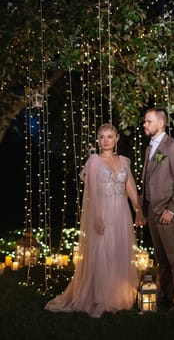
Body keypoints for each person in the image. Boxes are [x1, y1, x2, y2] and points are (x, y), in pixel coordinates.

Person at [45, 123, 145, 317]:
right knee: (101, 254)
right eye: (102, 137)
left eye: (109, 136)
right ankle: (98, 299)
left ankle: (116, 297)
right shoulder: (94, 161)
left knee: (118, 252)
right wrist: (97, 216)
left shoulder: (124, 161)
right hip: (102, 212)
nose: (105, 140)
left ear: (116, 139)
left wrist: (138, 210)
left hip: (121, 213)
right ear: (98, 140)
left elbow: (131, 188)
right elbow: (91, 192)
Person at [141, 108, 174, 313]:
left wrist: (171, 209)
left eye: (148, 121)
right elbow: (148, 179)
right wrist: (143, 210)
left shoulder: (173, 147)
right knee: (161, 257)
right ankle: (163, 294)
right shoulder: (149, 148)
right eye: (145, 121)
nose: (144, 124)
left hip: (166, 211)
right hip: (152, 210)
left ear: (161, 124)